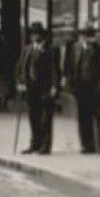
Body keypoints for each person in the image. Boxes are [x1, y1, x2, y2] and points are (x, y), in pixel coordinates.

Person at [68, 24, 100, 154]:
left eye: (87, 35)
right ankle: (87, 145)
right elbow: (70, 67)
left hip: (98, 87)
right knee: (84, 117)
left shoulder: (99, 47)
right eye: (82, 35)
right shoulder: (75, 48)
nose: (84, 38)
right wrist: (71, 85)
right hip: (82, 87)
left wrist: (96, 43)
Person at [15, 22, 60, 155]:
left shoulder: (50, 50)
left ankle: (45, 146)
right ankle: (34, 144)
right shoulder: (27, 49)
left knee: (45, 118)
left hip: (45, 88)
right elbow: (19, 67)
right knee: (33, 117)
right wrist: (20, 82)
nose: (35, 36)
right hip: (31, 88)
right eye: (33, 34)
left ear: (42, 36)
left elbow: (55, 71)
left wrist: (54, 86)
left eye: (38, 34)